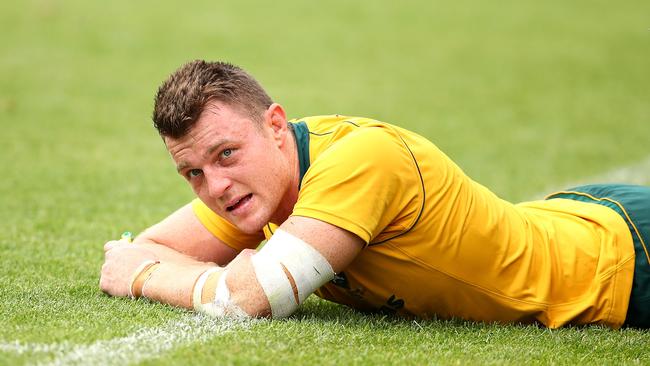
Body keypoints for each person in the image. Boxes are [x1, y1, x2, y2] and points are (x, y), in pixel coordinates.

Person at [99, 60, 650, 329]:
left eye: (225, 154)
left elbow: (252, 297)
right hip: (572, 215)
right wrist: (156, 267)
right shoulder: (256, 185)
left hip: (621, 260)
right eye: (192, 173)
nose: (215, 187)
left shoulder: (359, 161)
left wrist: (146, 279)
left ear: (274, 125)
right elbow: (141, 248)